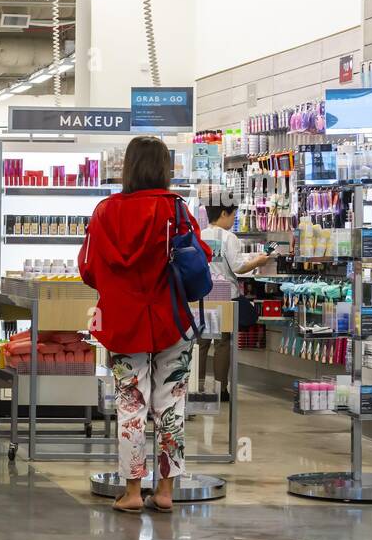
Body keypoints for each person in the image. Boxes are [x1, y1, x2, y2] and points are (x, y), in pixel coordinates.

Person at [79, 135, 211, 514]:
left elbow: (87, 268)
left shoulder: (105, 212)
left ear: (129, 168)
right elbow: (199, 261)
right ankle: (166, 490)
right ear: (165, 169)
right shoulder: (177, 210)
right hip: (171, 319)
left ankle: (133, 490)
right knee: (171, 405)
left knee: (130, 404)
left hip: (123, 322)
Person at [198, 202, 272, 401]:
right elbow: (238, 267)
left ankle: (196, 387)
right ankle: (221, 390)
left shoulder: (200, 235)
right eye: (233, 216)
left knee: (201, 343)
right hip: (224, 294)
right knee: (222, 343)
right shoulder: (229, 238)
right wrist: (259, 261)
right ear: (224, 213)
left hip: (202, 294)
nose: (233, 220)